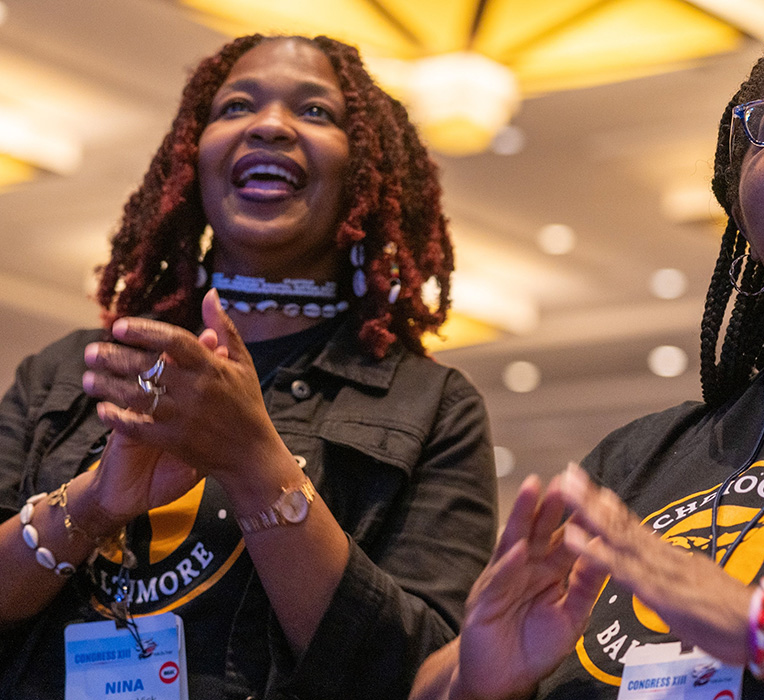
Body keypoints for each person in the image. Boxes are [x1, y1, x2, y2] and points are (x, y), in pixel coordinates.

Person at [410, 9, 764, 700]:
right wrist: (487, 684)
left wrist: (754, 619)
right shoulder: (638, 459)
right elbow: (438, 682)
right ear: (744, 220)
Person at [0, 34, 497, 700]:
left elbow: (424, 674)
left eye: (316, 112)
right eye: (236, 106)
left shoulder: (432, 406)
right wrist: (93, 504)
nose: (269, 125)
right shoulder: (72, 371)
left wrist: (256, 466)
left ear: (363, 173)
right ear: (191, 157)